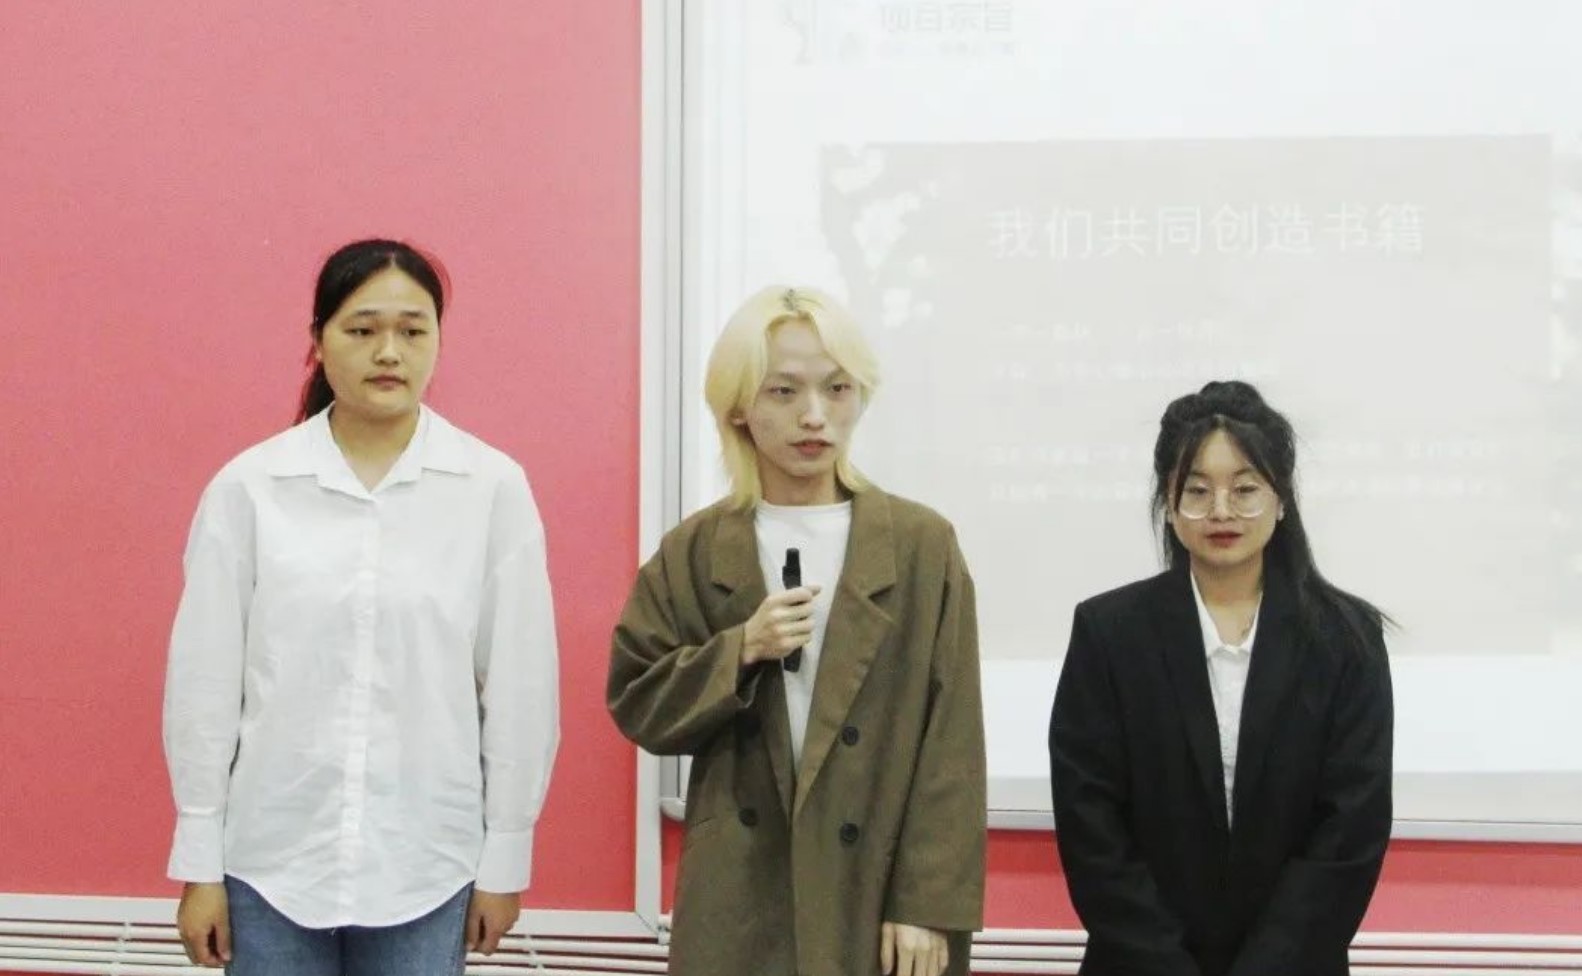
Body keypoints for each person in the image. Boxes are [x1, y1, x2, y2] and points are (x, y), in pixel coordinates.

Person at [162, 238, 561, 975]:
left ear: (438, 341)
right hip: (270, 862)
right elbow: (204, 688)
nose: (389, 352)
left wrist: (506, 858)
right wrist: (200, 863)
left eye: (413, 330)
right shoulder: (251, 488)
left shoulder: (490, 489)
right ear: (318, 341)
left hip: (429, 865)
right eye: (362, 329)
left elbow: (520, 689)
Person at [607, 286, 986, 976]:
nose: (814, 416)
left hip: (878, 894)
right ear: (738, 406)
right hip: (741, 893)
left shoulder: (920, 546)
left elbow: (951, 742)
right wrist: (740, 650)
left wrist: (927, 905)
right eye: (783, 391)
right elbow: (639, 701)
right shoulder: (694, 550)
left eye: (837, 389)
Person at [1049, 380, 1393, 976]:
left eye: (1245, 489)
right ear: (1168, 501)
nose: (1222, 511)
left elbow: (1349, 830)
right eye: (1198, 490)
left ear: (1282, 500)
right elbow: (1092, 828)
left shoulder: (1346, 639)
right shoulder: (1108, 634)